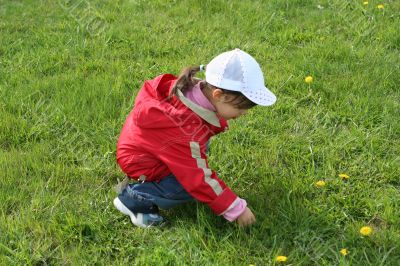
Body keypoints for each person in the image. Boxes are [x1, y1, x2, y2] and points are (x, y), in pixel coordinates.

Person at [114, 48, 277, 228]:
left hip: (144, 147)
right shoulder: (184, 129)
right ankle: (135, 199)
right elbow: (198, 179)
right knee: (187, 185)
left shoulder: (192, 90)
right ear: (218, 95)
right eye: (240, 108)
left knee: (194, 160)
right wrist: (235, 208)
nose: (244, 113)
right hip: (142, 161)